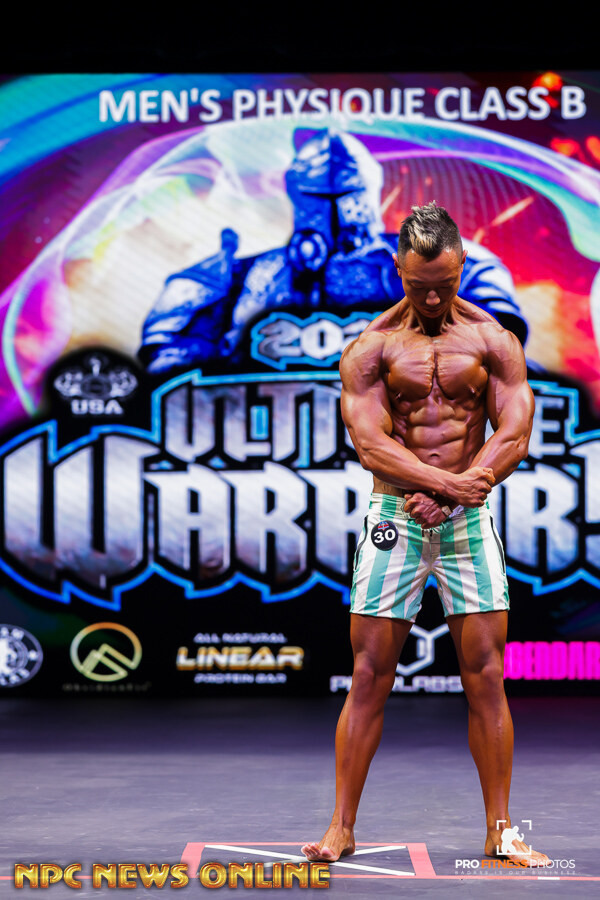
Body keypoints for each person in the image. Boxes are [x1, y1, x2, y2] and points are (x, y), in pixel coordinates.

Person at [301, 201, 549, 868]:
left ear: (462, 264)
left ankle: (501, 831)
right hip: (396, 518)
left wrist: (464, 487)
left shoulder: (495, 341)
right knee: (369, 672)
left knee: (487, 675)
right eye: (418, 285)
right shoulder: (372, 348)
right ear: (398, 270)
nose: (433, 298)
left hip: (467, 517)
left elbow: (514, 430)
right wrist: (446, 485)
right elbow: (370, 444)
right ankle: (341, 827)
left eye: (444, 283)